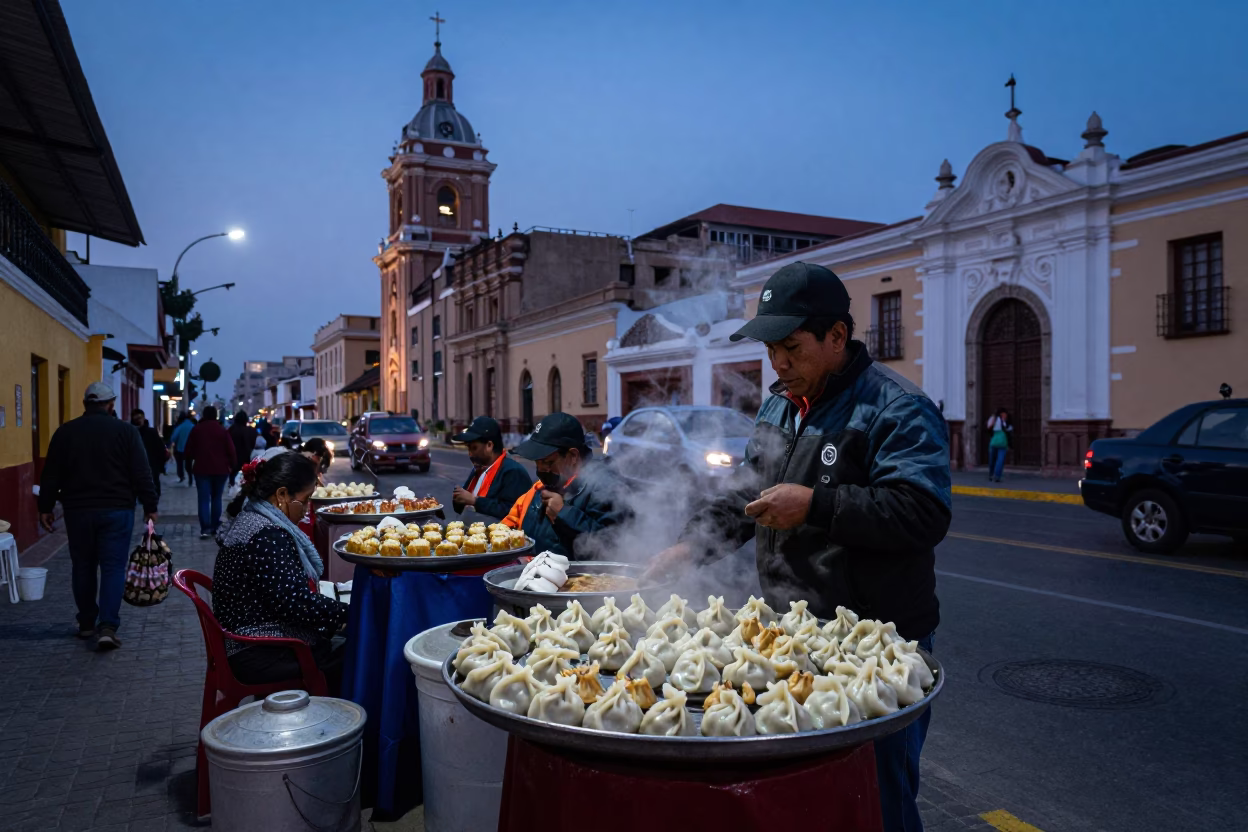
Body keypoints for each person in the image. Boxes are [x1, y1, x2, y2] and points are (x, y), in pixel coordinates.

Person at [643, 262, 951, 832]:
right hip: (795, 638)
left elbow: (923, 512)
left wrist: (816, 505)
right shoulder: (780, 404)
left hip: (877, 643)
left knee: (878, 796)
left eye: (791, 348)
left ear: (837, 336)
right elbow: (745, 493)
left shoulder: (895, 406)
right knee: (811, 796)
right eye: (771, 351)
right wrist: (690, 548)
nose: (779, 365)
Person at [37, 382, 159, 650]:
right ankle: (107, 626)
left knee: (83, 565)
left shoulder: (65, 432)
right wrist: (150, 505)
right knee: (113, 567)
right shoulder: (126, 432)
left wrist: (45, 507)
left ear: (85, 404)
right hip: (117, 510)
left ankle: (86, 623)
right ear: (111, 404)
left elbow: (51, 474)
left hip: (78, 510)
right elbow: (142, 471)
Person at [213, 451, 348, 693]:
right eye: (305, 500)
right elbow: (294, 604)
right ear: (282, 494)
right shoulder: (268, 534)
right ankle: (336, 722)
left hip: (249, 640)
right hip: (258, 651)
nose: (307, 510)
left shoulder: (251, 517)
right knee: (357, 652)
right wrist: (348, 613)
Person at [501, 411, 625, 557]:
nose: (541, 470)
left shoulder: (606, 487)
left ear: (572, 456)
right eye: (537, 462)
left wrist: (564, 514)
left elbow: (614, 548)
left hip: (579, 579)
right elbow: (519, 523)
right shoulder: (547, 484)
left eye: (548, 463)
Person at [450, 416, 534, 522]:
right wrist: (458, 498)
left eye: (474, 448)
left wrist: (475, 501)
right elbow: (462, 507)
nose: (470, 454)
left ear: (489, 445)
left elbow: (511, 512)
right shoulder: (479, 469)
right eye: (468, 448)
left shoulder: (513, 472)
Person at [184, 405, 237, 539]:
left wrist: (189, 466)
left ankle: (205, 528)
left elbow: (188, 451)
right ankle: (215, 526)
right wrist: (231, 466)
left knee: (203, 499)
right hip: (221, 469)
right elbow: (231, 450)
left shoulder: (197, 430)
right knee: (216, 498)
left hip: (201, 469)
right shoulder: (222, 430)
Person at [130, 409, 169, 499]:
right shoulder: (130, 433)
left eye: (139, 418)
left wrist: (160, 464)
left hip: (151, 465)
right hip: (140, 466)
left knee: (152, 487)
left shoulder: (150, 432)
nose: (138, 421)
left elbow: (160, 449)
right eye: (136, 418)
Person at [227, 410, 258, 487]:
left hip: (233, 460)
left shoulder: (231, 430)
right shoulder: (250, 430)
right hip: (246, 460)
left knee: (233, 482)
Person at [986, 409, 1013, 483]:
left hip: (998, 442)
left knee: (999, 460)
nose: (1004, 416)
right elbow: (989, 427)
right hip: (998, 441)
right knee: (993, 460)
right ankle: (993, 475)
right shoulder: (996, 419)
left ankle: (995, 475)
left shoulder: (1006, 421)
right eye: (1003, 414)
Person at [169, 412, 196, 485]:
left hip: (180, 448)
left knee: (180, 463)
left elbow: (173, 437)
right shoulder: (193, 426)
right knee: (189, 464)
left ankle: (181, 476)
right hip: (190, 449)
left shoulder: (180, 426)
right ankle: (190, 477)